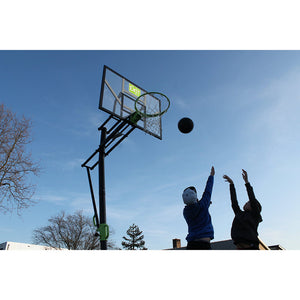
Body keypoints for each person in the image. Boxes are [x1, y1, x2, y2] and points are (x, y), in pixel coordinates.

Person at [223, 169, 262, 250]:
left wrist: (247, 182)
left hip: (251, 247)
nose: (246, 203)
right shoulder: (239, 214)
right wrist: (232, 184)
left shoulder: (255, 215)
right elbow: (234, 202)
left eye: (248, 203)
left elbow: (252, 198)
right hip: (239, 247)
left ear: (253, 207)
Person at [183, 166, 215, 250]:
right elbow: (208, 190)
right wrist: (211, 176)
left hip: (191, 245)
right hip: (204, 245)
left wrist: (207, 205)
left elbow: (196, 209)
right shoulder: (202, 205)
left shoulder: (185, 212)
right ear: (196, 198)